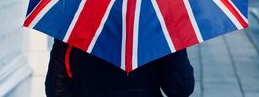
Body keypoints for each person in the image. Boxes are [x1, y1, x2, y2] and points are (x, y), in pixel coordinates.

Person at [45, 39, 195, 97]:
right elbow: (180, 88)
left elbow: (56, 89)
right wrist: (176, 42)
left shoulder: (74, 25)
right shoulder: (158, 23)